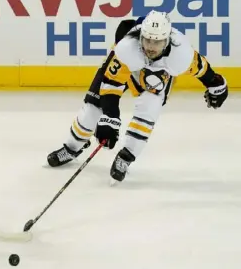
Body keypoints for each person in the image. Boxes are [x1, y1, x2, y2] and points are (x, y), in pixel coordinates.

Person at [47, 10, 228, 185]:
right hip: (126, 66)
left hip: (155, 75)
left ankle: (126, 156)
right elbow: (111, 85)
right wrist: (110, 117)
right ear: (141, 35)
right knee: (92, 110)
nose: (150, 47)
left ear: (167, 42)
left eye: (156, 43)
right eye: (147, 40)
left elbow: (202, 69)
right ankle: (72, 147)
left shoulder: (180, 54)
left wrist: (216, 84)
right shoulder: (126, 48)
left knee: (150, 107)